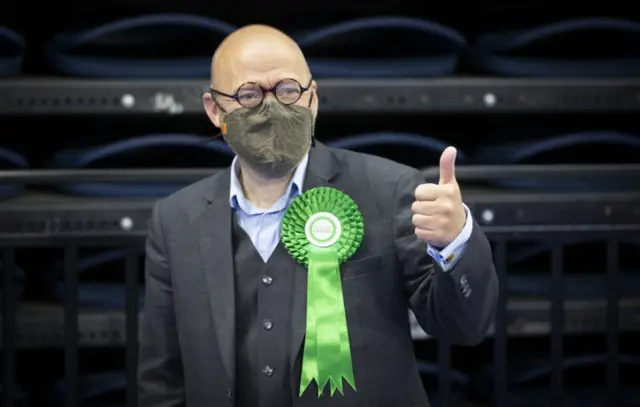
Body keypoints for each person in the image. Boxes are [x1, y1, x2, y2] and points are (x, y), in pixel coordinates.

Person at [138, 24, 498, 407]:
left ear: (313, 99)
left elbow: (465, 326)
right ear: (214, 109)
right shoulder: (175, 220)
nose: (272, 106)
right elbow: (162, 378)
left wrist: (456, 242)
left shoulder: (389, 190)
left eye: (288, 89)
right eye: (249, 94)